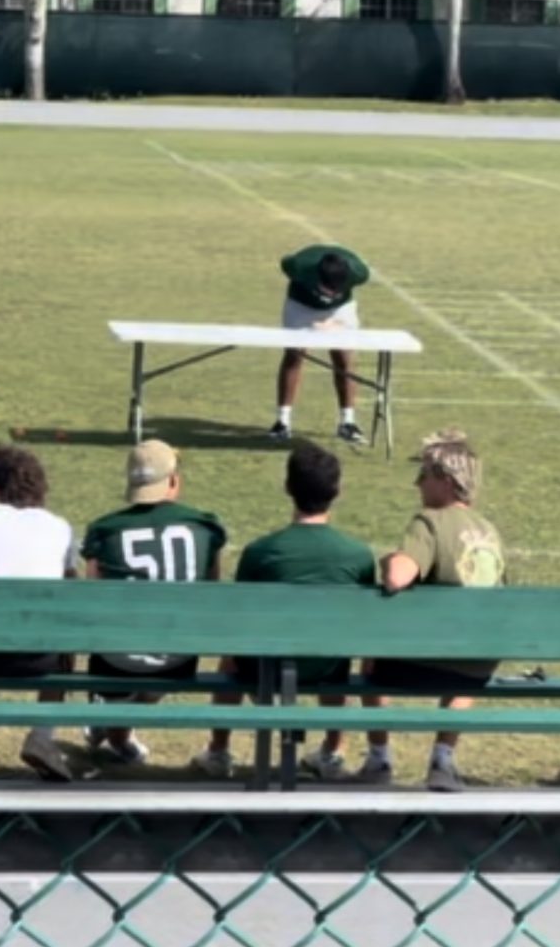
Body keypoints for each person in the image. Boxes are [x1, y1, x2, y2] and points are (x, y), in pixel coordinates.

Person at [192, 441, 375, 780]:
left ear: (288, 487)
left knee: (230, 659)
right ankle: (333, 752)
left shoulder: (260, 552)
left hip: (267, 665)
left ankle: (218, 751)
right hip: (326, 664)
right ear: (337, 491)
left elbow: (240, 621)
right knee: (339, 655)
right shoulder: (358, 555)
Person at [354, 430, 506, 793]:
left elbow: (396, 577)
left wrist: (393, 558)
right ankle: (443, 758)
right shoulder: (490, 531)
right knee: (471, 653)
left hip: (426, 661)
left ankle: (379, 758)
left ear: (446, 481)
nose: (417, 483)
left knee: (371, 657)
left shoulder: (430, 522)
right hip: (476, 666)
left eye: (424, 474)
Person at [81, 439, 227, 764]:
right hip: (177, 657)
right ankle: (117, 733)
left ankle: (113, 727)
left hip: (115, 657)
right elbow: (212, 594)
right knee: (161, 661)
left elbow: (92, 597)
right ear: (173, 480)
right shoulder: (205, 526)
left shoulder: (105, 530)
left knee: (121, 655)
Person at [0, 442, 78, 782]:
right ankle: (43, 736)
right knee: (66, 637)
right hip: (38, 657)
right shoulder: (59, 528)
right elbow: (71, 592)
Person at [269, 243, 370, 445]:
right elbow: (284, 262)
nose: (331, 295)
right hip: (301, 305)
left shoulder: (359, 272)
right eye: (328, 290)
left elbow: (341, 300)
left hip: (340, 310)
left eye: (337, 290)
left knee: (343, 356)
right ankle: (282, 422)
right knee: (294, 354)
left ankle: (348, 422)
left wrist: (336, 322)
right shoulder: (298, 266)